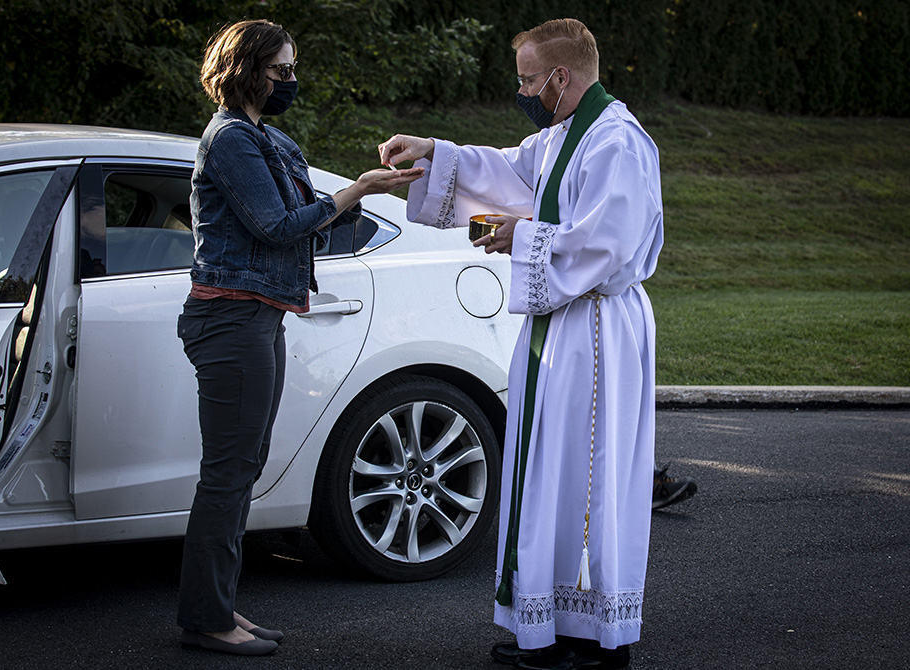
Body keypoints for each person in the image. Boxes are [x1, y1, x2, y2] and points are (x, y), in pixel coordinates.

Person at [380, 18, 662, 670]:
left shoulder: (617, 141)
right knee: (547, 472)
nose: (524, 92)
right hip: (561, 326)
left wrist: (519, 236)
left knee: (584, 476)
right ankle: (552, 623)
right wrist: (433, 151)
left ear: (561, 76)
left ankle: (592, 636)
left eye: (530, 80)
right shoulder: (567, 133)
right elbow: (505, 172)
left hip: (595, 324)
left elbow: (607, 246)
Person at [177, 19, 422, 657]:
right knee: (228, 474)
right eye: (280, 71)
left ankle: (218, 606)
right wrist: (356, 191)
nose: (291, 81)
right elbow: (278, 225)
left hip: (260, 316)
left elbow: (311, 220)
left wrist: (371, 192)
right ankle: (207, 618)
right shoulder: (230, 139)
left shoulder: (267, 138)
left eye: (293, 70)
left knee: (243, 467)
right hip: (229, 318)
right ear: (245, 69)